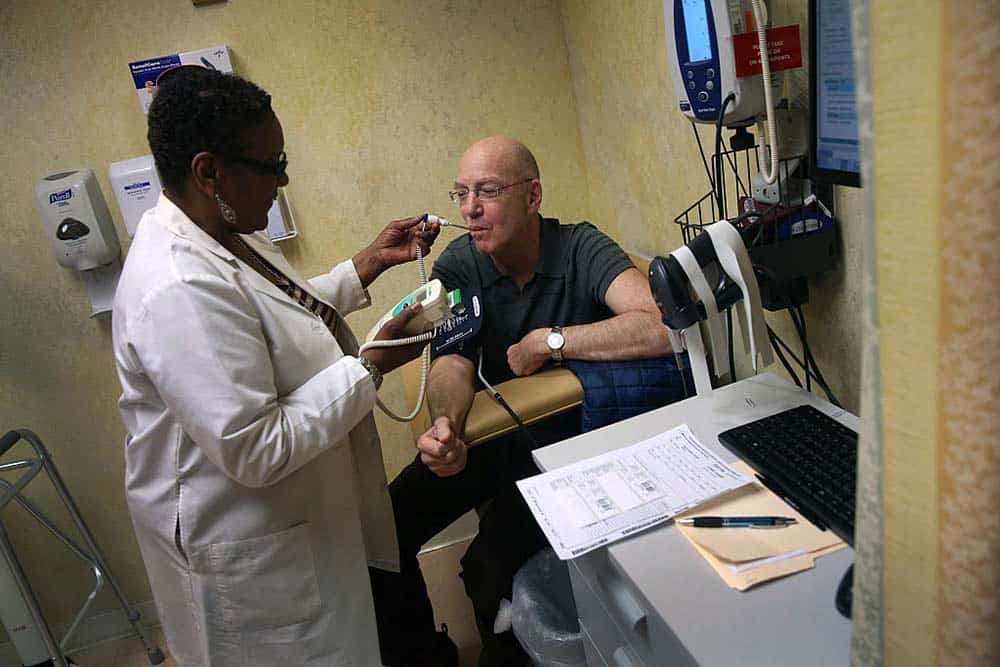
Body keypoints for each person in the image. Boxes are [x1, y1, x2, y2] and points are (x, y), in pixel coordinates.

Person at [111, 66, 441, 666]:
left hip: (299, 520)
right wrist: (370, 364)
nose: (283, 178)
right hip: (246, 549)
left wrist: (363, 266)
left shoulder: (221, 231)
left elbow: (267, 319)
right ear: (208, 171)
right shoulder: (176, 286)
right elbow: (256, 446)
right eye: (270, 165)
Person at [369, 136, 677, 666]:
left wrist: (552, 340)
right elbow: (452, 360)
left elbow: (662, 326)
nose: (470, 208)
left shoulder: (580, 246)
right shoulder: (462, 262)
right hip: (497, 435)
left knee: (486, 565)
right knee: (382, 530)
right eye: (461, 193)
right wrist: (445, 427)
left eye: (488, 191)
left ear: (532, 196)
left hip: (576, 441)